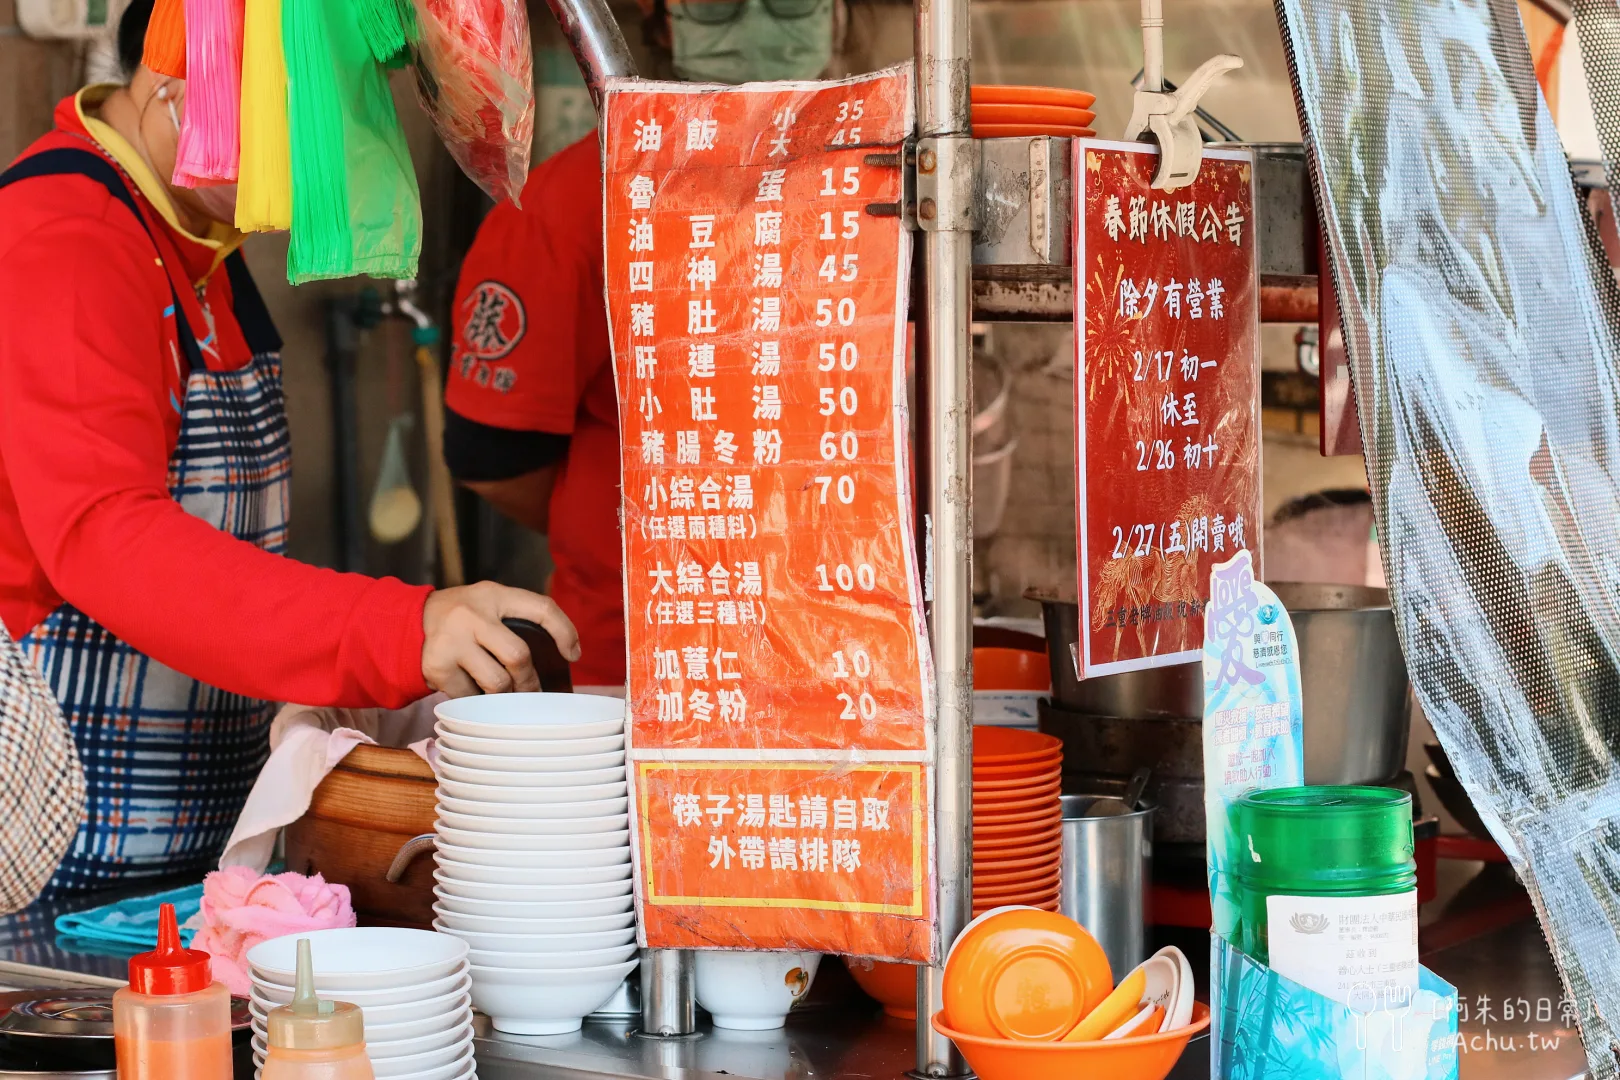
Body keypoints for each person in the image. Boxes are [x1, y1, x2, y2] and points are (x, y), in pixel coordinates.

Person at [0, 0, 582, 899]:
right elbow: (109, 537)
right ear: (171, 87)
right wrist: (396, 628)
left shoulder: (196, 237)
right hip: (59, 845)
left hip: (181, 834)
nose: (300, 181)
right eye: (282, 138)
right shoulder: (65, 239)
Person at [443, 0, 839, 691]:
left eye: (791, 0)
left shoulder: (899, 191)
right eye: (716, 7)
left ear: (838, 17)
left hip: (853, 657)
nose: (754, 24)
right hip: (637, 667)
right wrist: (637, 514)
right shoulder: (569, 201)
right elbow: (493, 454)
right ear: (660, 23)